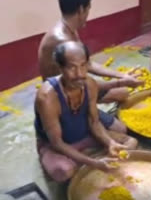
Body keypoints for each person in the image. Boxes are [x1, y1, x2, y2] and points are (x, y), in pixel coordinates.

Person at [35, 41, 138, 182]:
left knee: (130, 142)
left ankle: (85, 155)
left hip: (83, 134)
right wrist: (94, 163)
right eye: (72, 67)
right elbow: (57, 143)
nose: (79, 74)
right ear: (60, 67)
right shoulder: (47, 97)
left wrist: (109, 143)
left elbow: (94, 122)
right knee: (64, 172)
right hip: (57, 145)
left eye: (83, 66)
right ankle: (56, 157)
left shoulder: (89, 85)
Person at [38, 0, 142, 103]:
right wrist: (121, 82)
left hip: (73, 84)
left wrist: (122, 75)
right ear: (81, 10)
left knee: (122, 92)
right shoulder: (63, 40)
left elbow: (88, 64)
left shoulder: (69, 29)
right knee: (120, 92)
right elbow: (85, 84)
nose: (88, 14)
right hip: (62, 96)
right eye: (88, 9)